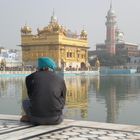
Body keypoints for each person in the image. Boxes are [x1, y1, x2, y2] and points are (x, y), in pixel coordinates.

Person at [20, 57, 66, 125]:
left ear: (40, 67)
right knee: (64, 106)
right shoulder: (60, 79)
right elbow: (63, 98)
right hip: (56, 119)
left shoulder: (29, 78)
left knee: (25, 101)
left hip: (35, 119)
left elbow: (31, 96)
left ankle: (30, 116)